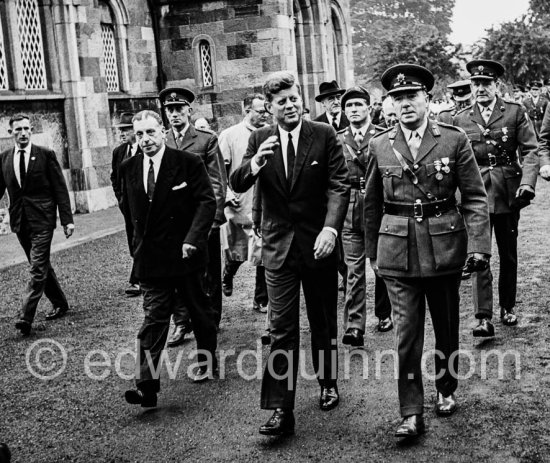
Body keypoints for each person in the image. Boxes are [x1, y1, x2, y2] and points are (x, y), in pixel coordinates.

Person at [364, 64, 491, 438]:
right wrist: (374, 254)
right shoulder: (380, 144)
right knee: (406, 336)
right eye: (397, 98)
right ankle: (410, 412)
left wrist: (479, 246)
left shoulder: (453, 140)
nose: (404, 104)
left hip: (443, 247)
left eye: (411, 97)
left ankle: (446, 388)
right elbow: (371, 204)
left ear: (427, 100)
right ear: (390, 104)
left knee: (446, 327)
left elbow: (474, 197)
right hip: (397, 252)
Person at [231, 72, 350, 436]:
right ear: (269, 108)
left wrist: (331, 228)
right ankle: (282, 408)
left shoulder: (323, 135)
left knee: (323, 320)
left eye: (294, 98)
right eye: (282, 101)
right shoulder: (259, 139)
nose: (291, 105)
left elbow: (339, 184)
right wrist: (253, 165)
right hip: (278, 248)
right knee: (281, 328)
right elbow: (237, 182)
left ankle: (328, 382)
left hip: (319, 244)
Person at [121, 110, 218, 407]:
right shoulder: (128, 168)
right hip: (151, 259)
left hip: (185, 254)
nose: (146, 140)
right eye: (139, 135)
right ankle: (146, 387)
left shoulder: (187, 163)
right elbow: (130, 211)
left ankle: (206, 358)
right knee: (153, 320)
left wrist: (193, 239)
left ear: (162, 132)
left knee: (199, 310)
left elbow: (206, 201)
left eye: (150, 132)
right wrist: (136, 249)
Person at [453, 60, 539, 336]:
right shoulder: (461, 118)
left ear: (496, 85)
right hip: (475, 192)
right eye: (476, 84)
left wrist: (527, 183)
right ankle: (482, 317)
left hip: (507, 192)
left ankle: (508, 307)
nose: (480, 89)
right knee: (479, 252)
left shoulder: (514, 112)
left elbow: (530, 150)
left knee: (508, 252)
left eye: (486, 84)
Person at [159, 87, 227, 344]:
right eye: (169, 109)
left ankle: (211, 318)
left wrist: (214, 219)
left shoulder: (205, 140)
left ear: (189, 110)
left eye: (179, 108)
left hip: (202, 217)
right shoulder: (162, 140)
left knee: (209, 272)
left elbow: (218, 182)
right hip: (173, 222)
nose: (174, 114)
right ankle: (180, 322)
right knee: (176, 273)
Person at [0, 114, 74, 336]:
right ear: (10, 133)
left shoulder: (45, 155)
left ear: (31, 130)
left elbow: (60, 189)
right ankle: (60, 302)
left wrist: (67, 220)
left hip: (43, 219)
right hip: (20, 220)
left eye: (26, 129)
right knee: (39, 264)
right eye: (17, 130)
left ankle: (26, 317)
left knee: (37, 267)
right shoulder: (4, 158)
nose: (22, 133)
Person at [337, 86, 392, 348]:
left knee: (383, 265)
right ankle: (355, 326)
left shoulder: (382, 136)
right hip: (349, 212)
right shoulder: (338, 139)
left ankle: (385, 313)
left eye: (359, 105)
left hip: (378, 209)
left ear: (369, 108)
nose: (354, 110)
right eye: (349, 106)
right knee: (353, 271)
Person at [219, 94, 269, 313]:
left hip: (262, 202)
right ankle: (228, 273)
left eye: (266, 110)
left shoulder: (269, 134)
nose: (264, 114)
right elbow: (220, 171)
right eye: (260, 111)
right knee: (239, 251)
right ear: (247, 110)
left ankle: (261, 299)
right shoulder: (230, 135)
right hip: (239, 202)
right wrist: (228, 193)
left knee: (263, 252)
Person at [110, 112, 142, 297]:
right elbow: (115, 177)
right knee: (132, 239)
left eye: (125, 129)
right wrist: (120, 198)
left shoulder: (144, 148)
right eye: (120, 130)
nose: (121, 134)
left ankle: (136, 280)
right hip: (127, 205)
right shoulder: (119, 152)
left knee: (139, 238)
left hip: (143, 203)